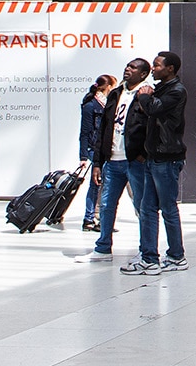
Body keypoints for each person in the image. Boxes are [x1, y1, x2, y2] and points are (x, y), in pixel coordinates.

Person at [76, 58, 149, 265]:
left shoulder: (145, 94)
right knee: (107, 204)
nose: (128, 69)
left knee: (142, 206)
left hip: (134, 160)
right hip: (113, 160)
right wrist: (97, 162)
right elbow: (104, 129)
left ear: (143, 74)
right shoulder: (116, 94)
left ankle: (146, 251)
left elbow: (152, 126)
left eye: (133, 67)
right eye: (128, 66)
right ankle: (103, 247)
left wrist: (143, 154)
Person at [126, 50, 188, 271]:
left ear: (170, 68)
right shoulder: (161, 89)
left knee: (168, 207)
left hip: (167, 158)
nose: (153, 69)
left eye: (157, 65)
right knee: (147, 207)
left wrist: (144, 95)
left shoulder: (176, 91)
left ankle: (176, 256)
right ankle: (149, 258)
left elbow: (153, 108)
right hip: (154, 157)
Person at [77, 74, 118, 232]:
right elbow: (85, 132)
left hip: (107, 149)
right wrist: (83, 156)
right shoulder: (90, 106)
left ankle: (100, 220)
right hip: (95, 150)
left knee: (105, 186)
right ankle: (89, 219)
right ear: (107, 87)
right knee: (96, 185)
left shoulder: (108, 105)